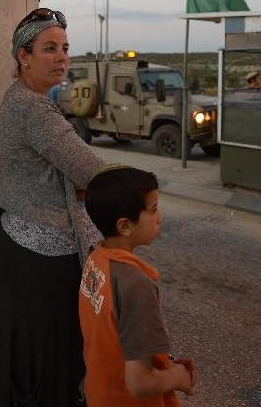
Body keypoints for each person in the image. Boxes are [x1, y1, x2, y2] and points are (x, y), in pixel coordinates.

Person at [0, 8, 105, 407]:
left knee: (29, 359)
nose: (62, 57)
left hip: (22, 246)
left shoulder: (22, 100)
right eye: (50, 48)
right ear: (23, 56)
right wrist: (138, 187)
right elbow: (91, 170)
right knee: (45, 360)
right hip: (39, 257)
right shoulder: (33, 109)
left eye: (65, 48)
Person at [80, 167, 196, 406]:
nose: (160, 217)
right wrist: (178, 377)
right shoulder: (136, 286)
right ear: (124, 226)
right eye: (153, 210)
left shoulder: (96, 261)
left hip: (100, 393)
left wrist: (163, 363)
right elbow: (139, 382)